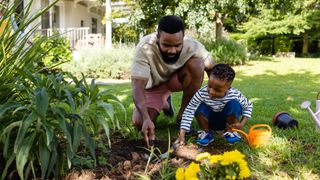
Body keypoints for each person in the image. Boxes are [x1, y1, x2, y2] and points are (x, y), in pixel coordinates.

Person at [131, 15, 215, 147]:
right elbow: (137, 87)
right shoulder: (144, 47)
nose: (172, 50)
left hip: (175, 80)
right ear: (158, 37)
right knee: (139, 122)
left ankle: (183, 117)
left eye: (177, 45)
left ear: (183, 38)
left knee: (197, 65)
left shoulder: (193, 45)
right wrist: (146, 118)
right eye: (166, 45)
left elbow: (213, 69)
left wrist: (219, 99)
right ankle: (165, 103)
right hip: (153, 87)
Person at [175, 63, 253, 146]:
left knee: (234, 105)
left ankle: (230, 132)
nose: (211, 92)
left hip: (226, 121)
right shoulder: (202, 93)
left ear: (228, 88)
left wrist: (242, 123)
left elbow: (248, 106)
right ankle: (207, 133)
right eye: (209, 86)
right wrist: (182, 134)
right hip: (209, 121)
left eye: (218, 90)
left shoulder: (235, 94)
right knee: (198, 105)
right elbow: (189, 110)